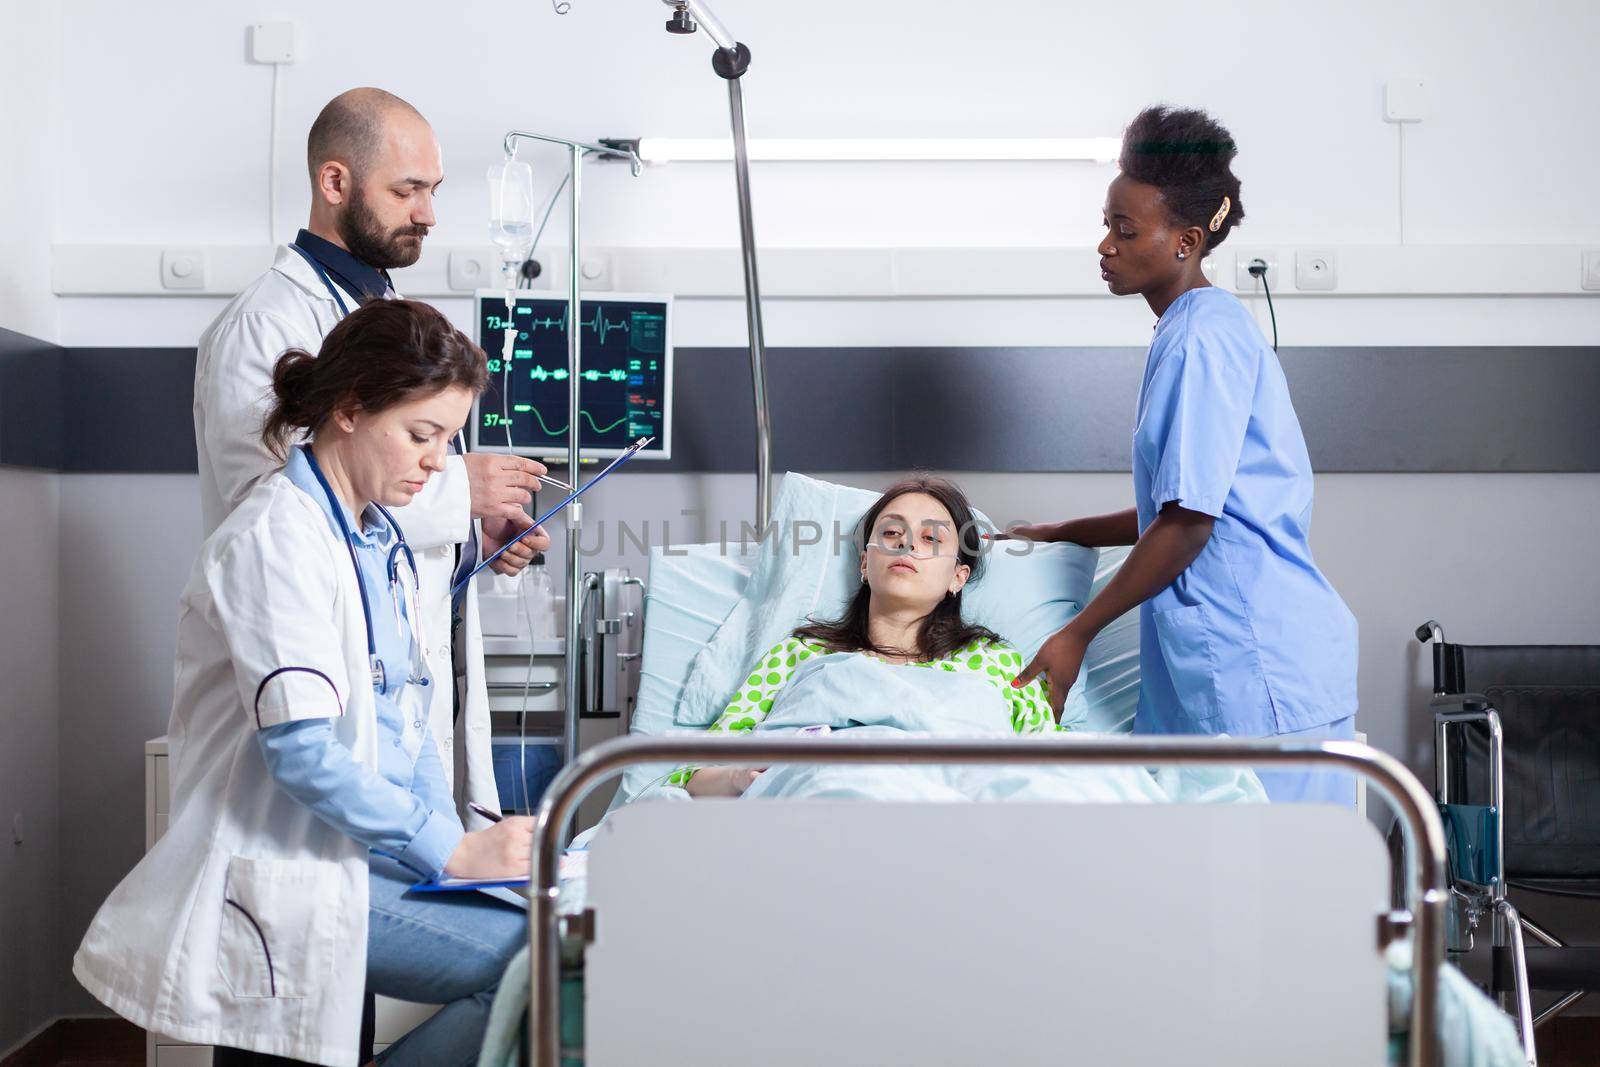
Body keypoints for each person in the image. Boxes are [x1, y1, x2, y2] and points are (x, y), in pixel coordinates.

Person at [75, 300, 532, 1066]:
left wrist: (460, 846)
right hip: (276, 868)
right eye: (422, 436)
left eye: (449, 441)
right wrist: (451, 855)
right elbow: (305, 755)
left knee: (538, 939)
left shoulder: (379, 538)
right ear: (349, 409)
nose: (437, 462)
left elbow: (410, 715)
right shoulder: (274, 538)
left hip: (351, 854)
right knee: (526, 961)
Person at [193, 87, 551, 822]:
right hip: (317, 720)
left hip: (404, 705)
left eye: (432, 190)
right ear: (335, 183)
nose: (428, 213)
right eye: (408, 190)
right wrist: (459, 490)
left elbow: (379, 511)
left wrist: (469, 535)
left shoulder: (382, 321)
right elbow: (278, 515)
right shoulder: (264, 326)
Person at [1010, 106, 1358, 805]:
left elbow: (1189, 523)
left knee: (1291, 895)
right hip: (1229, 673)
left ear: (1186, 241)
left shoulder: (1202, 335)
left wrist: (1075, 634)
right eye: (1106, 224)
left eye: (1125, 230)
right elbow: (1174, 506)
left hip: (1259, 673)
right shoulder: (1195, 327)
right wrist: (1059, 534)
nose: (1105, 245)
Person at [675, 476, 1059, 797]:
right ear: (864, 562)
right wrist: (738, 778)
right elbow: (692, 774)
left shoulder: (995, 661)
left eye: (931, 539)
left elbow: (1052, 770)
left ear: (957, 578)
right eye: (892, 533)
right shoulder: (802, 653)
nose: (908, 545)